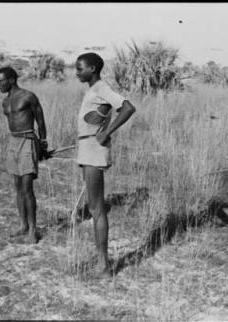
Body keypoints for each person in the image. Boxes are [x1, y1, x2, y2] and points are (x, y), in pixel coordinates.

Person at [74, 52, 136, 275]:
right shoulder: (92, 90)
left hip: (94, 151)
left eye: (80, 68)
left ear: (92, 68)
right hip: (87, 149)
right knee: (94, 207)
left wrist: (107, 132)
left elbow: (128, 107)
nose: (77, 72)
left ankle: (104, 265)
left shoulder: (101, 88)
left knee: (97, 209)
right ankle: (102, 261)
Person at [0, 66, 48, 244]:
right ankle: (23, 225)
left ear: (11, 80)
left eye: (1, 81)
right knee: (18, 187)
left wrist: (42, 144)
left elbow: (40, 120)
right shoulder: (5, 101)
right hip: (13, 142)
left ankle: (33, 231)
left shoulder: (28, 96)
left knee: (27, 189)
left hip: (28, 141)